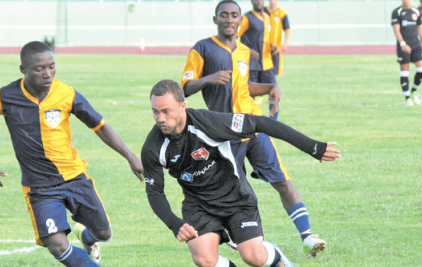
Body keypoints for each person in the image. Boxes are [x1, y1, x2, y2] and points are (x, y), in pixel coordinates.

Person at [0, 41, 144, 267]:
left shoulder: (66, 94)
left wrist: (130, 156)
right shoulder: (4, 96)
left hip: (75, 177)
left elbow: (99, 125)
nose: (47, 73)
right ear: (23, 70)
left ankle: (88, 238)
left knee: (104, 232)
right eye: (39, 68)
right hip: (39, 188)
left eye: (51, 66)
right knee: (58, 246)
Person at [181, 0, 327, 258]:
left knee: (282, 179)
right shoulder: (202, 48)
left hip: (253, 127)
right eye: (224, 15)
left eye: (234, 15)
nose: (229, 19)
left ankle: (307, 236)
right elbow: (184, 88)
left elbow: (245, 87)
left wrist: (271, 87)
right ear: (215, 20)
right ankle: (237, 236)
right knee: (230, 190)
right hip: (224, 134)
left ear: (239, 21)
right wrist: (208, 80)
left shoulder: (244, 51)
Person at [142, 79, 341, 267]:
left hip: (235, 197)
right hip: (198, 204)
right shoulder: (153, 147)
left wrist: (312, 147)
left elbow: (259, 123)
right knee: (204, 259)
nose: (160, 119)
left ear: (182, 106)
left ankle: (278, 258)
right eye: (155, 112)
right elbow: (155, 192)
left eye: (166, 112)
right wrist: (174, 223)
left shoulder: (209, 123)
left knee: (254, 257)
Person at [237, 0, 279, 119]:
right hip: (252, 65)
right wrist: (248, 50)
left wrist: (272, 45)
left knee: (274, 93)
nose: (258, 1)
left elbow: (264, 38)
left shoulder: (267, 16)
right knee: (249, 97)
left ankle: (273, 124)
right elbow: (234, 37)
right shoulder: (246, 18)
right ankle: (250, 123)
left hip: (267, 63)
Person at [392, 0, 422, 106]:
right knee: (405, 71)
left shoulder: (416, 11)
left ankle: (414, 90)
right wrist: (403, 44)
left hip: (416, 45)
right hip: (404, 46)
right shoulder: (397, 12)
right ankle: (407, 97)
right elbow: (396, 30)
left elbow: (420, 28)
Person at [265, 0, 290, 79]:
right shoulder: (264, 12)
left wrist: (285, 43)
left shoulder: (282, 13)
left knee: (275, 72)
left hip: (276, 48)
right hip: (264, 48)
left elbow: (287, 29)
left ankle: (273, 87)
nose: (272, 1)